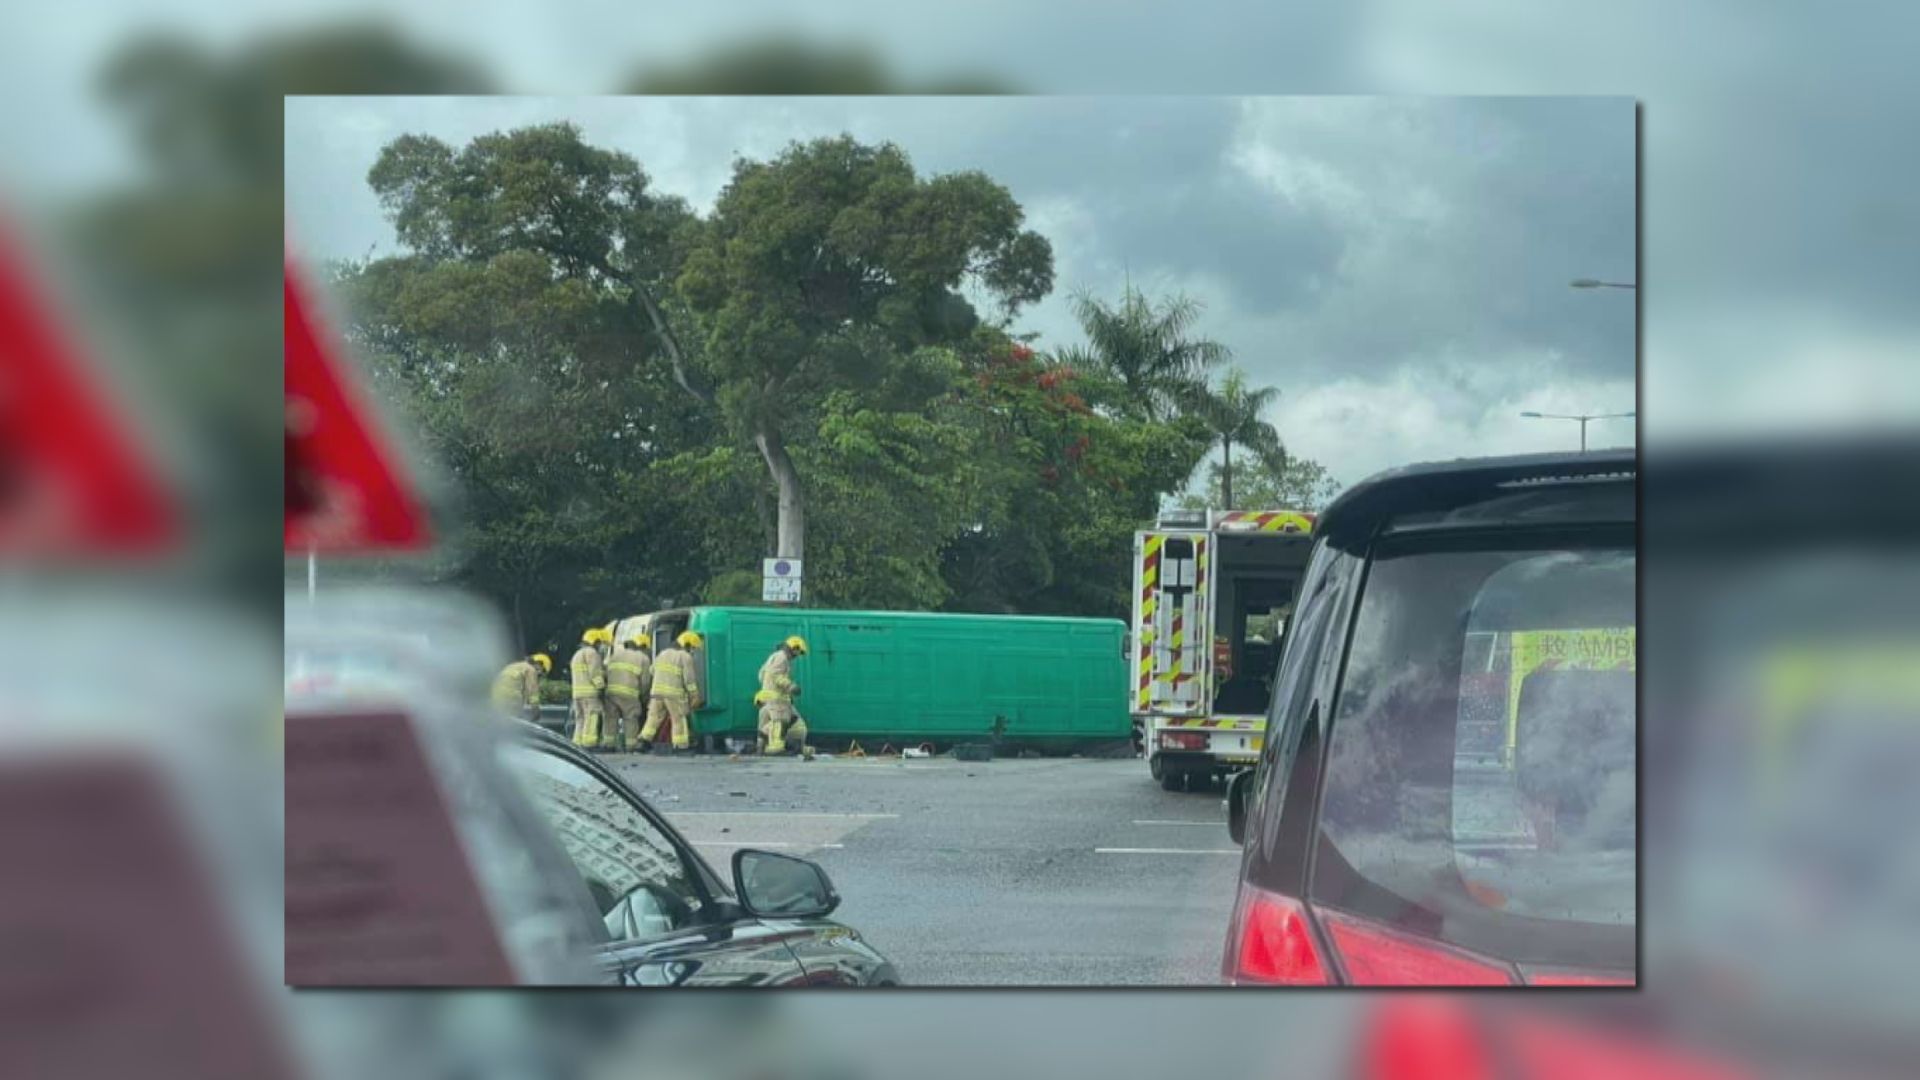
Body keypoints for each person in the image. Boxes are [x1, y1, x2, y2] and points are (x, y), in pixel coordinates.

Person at [639, 631, 704, 754]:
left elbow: (652, 670)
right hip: (674, 693)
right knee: (678, 718)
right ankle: (680, 746)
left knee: (653, 717)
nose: (692, 651)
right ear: (687, 644)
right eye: (692, 648)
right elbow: (689, 679)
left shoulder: (662, 653)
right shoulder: (685, 657)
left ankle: (643, 741)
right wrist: (694, 695)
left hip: (657, 691)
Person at [755, 635, 809, 756]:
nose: (797, 655)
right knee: (781, 722)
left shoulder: (774, 656)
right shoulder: (782, 658)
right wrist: (791, 686)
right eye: (798, 651)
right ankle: (775, 748)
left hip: (768, 697)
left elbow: (761, 675)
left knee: (769, 721)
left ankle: (761, 745)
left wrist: (766, 689)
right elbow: (777, 676)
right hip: (777, 698)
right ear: (793, 647)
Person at [604, 632, 653, 753]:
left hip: (611, 692)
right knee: (631, 719)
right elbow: (645, 681)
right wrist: (643, 695)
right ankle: (631, 746)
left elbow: (606, 673)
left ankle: (608, 745)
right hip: (630, 694)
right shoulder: (643, 658)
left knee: (610, 718)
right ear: (644, 646)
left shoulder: (615, 655)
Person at [570, 627, 611, 750]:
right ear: (596, 641)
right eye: (600, 643)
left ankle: (577, 743)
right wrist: (601, 687)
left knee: (580, 718)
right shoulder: (592, 653)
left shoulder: (577, 654)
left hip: (577, 693)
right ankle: (589, 743)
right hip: (590, 694)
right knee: (592, 717)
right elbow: (594, 673)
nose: (601, 646)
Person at [491, 652, 551, 722]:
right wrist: (535, 709)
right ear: (539, 664)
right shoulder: (531, 670)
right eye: (542, 670)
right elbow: (532, 690)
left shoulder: (514, 666)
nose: (540, 674)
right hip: (511, 698)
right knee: (515, 722)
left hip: (496, 697)